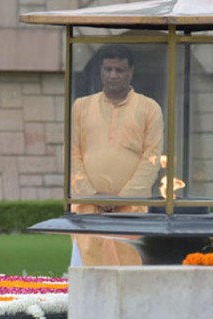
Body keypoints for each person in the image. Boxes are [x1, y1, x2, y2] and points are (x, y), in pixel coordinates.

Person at [69, 44, 164, 266]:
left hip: (130, 209)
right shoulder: (81, 107)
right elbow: (73, 154)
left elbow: (151, 157)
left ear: (131, 72)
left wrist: (124, 198)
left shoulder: (149, 108)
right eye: (107, 69)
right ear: (100, 71)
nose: (112, 75)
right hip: (88, 208)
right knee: (88, 273)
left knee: (129, 272)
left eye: (119, 70)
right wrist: (92, 195)